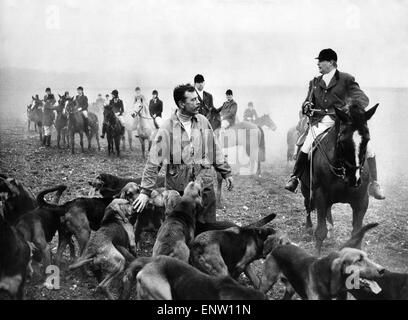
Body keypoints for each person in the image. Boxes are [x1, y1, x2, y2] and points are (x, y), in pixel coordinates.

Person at [284, 48, 385, 200]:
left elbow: (363, 99)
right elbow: (307, 102)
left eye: (321, 61)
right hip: (321, 123)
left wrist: (348, 109)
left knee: (369, 147)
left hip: (344, 122)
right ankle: (295, 178)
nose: (318, 64)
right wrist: (306, 106)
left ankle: (375, 184)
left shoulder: (346, 79)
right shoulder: (315, 82)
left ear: (331, 62)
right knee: (306, 145)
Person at [133, 84, 234, 223]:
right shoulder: (167, 128)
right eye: (193, 100)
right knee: (180, 231)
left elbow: (214, 148)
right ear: (181, 104)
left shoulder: (203, 121)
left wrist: (226, 172)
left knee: (207, 230)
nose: (198, 102)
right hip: (178, 191)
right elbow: (154, 161)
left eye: (197, 99)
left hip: (204, 187)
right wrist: (145, 192)